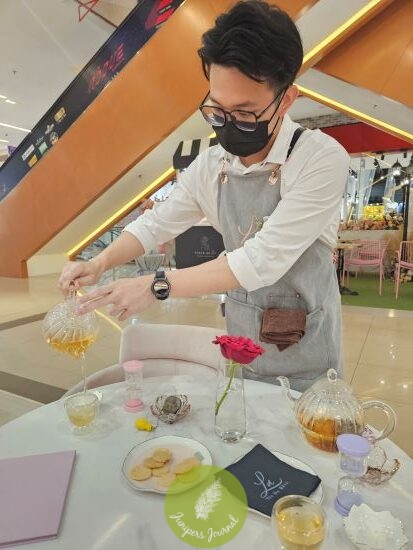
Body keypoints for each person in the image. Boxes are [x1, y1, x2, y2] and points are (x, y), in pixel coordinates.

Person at [59, 0, 349, 391]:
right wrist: (100, 262)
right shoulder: (213, 165)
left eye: (245, 113)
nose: (228, 124)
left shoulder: (320, 158)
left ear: (286, 99)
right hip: (243, 346)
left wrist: (156, 284)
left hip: (307, 359)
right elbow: (156, 223)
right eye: (217, 110)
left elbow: (261, 261)